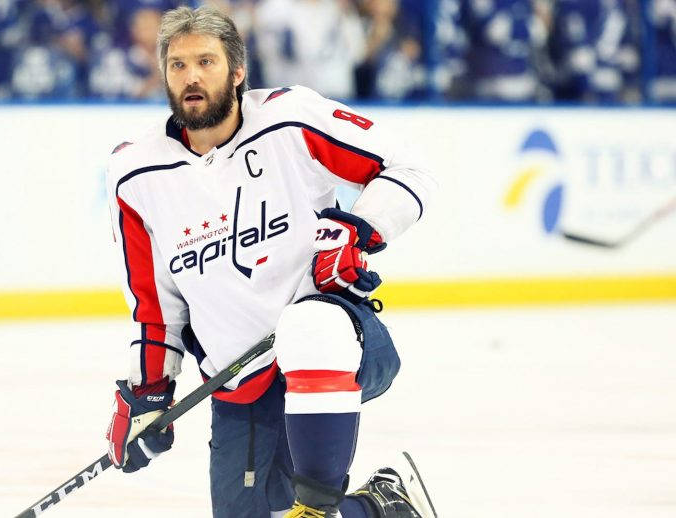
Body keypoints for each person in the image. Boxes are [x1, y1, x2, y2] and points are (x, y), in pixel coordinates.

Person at [103, 6, 438, 518]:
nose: (191, 76)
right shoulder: (134, 174)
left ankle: (319, 504)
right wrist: (149, 391)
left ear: (238, 71)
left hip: (336, 343)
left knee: (309, 322)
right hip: (239, 381)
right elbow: (154, 304)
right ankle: (381, 509)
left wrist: (357, 231)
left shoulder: (290, 120)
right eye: (177, 65)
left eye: (206, 62)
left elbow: (410, 165)